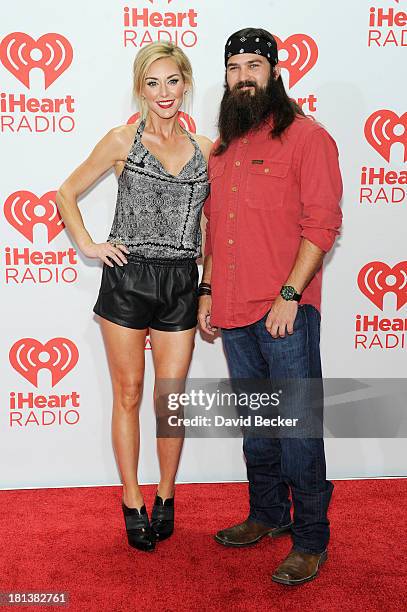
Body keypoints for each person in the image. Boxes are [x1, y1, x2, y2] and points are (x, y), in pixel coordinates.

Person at [198, 28, 343, 585]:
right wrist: (208, 290)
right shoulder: (223, 147)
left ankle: (310, 540)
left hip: (285, 313)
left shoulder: (308, 138)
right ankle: (265, 514)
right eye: (234, 67)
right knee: (258, 425)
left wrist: (290, 295)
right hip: (232, 311)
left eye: (253, 65)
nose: (243, 76)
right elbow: (214, 231)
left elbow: (322, 224)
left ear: (275, 72)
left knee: (297, 429)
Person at [56, 41, 212, 552]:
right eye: (152, 82)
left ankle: (166, 496)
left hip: (180, 283)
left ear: (186, 83)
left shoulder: (208, 151)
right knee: (127, 394)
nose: (164, 93)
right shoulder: (123, 140)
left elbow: (212, 226)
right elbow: (67, 192)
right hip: (126, 280)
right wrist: (89, 244)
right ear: (140, 88)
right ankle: (131, 499)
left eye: (172, 81)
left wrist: (206, 283)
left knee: (170, 402)